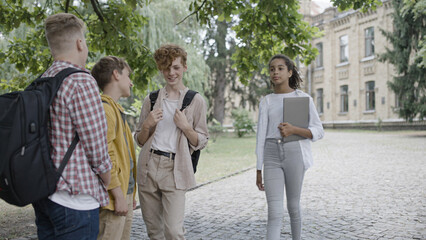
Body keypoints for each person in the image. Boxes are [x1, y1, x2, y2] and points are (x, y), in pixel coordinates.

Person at [32, 13, 112, 240]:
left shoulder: (43, 79)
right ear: (79, 43)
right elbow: (96, 143)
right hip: (75, 198)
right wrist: (106, 176)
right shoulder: (81, 81)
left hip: (45, 193)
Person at [134, 44, 209, 240]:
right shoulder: (150, 99)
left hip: (174, 169)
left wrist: (185, 127)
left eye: (176, 67)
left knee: (174, 232)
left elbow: (201, 141)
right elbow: (140, 141)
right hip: (148, 166)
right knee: (154, 232)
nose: (171, 73)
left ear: (184, 67)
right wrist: (147, 125)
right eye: (166, 68)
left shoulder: (195, 100)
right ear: (160, 68)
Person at [255, 54, 324, 240]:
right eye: (272, 69)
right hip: (271, 154)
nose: (275, 72)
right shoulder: (266, 101)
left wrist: (295, 129)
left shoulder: (303, 98)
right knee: (274, 212)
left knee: (293, 206)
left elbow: (319, 131)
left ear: (290, 72)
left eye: (280, 68)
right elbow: (260, 136)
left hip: (295, 153)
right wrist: (258, 168)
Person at [91, 56, 137, 240]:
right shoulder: (105, 109)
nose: (131, 82)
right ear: (116, 75)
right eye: (128, 75)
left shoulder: (116, 109)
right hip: (112, 199)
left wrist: (129, 194)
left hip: (124, 193)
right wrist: (118, 195)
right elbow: (105, 155)